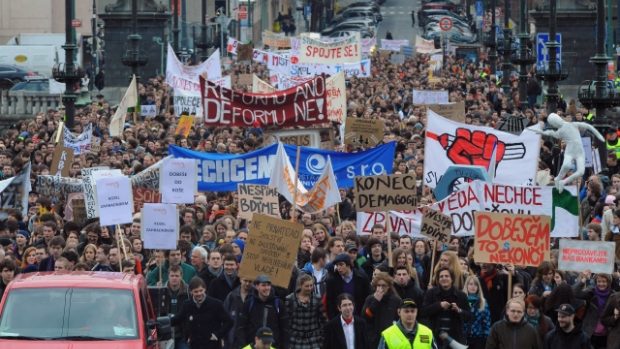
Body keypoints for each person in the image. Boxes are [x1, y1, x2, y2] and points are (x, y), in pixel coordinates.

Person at [170, 277, 233, 349]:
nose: (199, 294)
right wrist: (162, 322)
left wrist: (217, 335)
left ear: (205, 289)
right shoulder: (187, 305)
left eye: (201, 290)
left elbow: (229, 321)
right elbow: (177, 318)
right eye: (196, 291)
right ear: (191, 292)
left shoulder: (216, 304)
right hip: (195, 345)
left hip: (212, 345)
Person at [235, 275, 290, 349]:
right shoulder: (249, 303)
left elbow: (285, 328)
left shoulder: (278, 304)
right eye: (263, 285)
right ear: (257, 286)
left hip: (273, 346)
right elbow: (241, 327)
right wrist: (243, 346)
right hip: (253, 346)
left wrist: (285, 346)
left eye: (268, 285)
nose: (267, 288)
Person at [422, 267, 471, 347]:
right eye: (441, 276)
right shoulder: (430, 293)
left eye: (446, 276)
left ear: (452, 279)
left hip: (455, 339)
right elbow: (424, 312)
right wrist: (439, 305)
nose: (444, 278)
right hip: (435, 338)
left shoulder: (461, 295)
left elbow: (469, 317)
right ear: (438, 279)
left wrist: (459, 310)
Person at [285, 274, 326, 349]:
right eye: (307, 286)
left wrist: (322, 336)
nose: (310, 288)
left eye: (311, 285)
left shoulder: (317, 298)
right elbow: (287, 321)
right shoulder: (290, 299)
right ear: (300, 285)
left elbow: (322, 319)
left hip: (314, 339)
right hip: (295, 339)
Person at [362, 272, 401, 348]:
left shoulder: (396, 300)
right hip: (374, 339)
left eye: (383, 286)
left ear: (389, 286)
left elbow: (399, 319)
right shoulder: (370, 299)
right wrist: (376, 301)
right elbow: (365, 317)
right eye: (378, 285)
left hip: (391, 338)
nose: (381, 288)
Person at [325, 253, 371, 319]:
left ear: (348, 264)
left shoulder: (362, 278)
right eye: (337, 265)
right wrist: (333, 319)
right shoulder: (332, 280)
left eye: (341, 264)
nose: (338, 268)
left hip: (359, 316)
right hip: (340, 318)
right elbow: (330, 302)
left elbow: (367, 298)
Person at [463, 275, 491, 349]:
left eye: (475, 284)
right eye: (470, 284)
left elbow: (487, 323)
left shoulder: (483, 302)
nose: (473, 286)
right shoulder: (461, 301)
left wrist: (485, 339)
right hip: (463, 338)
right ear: (467, 285)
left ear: (478, 287)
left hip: (478, 340)